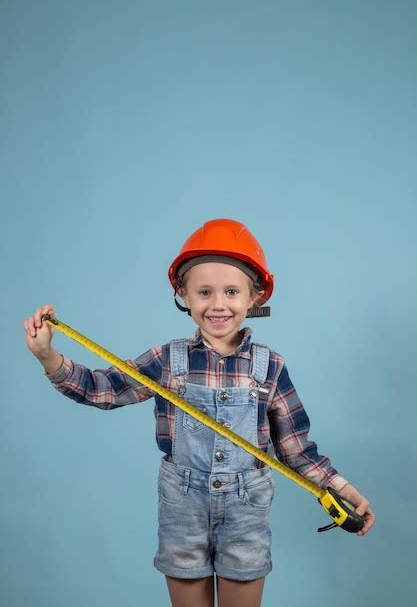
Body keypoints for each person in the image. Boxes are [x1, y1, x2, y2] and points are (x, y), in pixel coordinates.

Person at [24, 218, 375, 607]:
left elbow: (296, 450)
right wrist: (48, 356)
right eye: (204, 292)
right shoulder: (167, 360)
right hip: (182, 508)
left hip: (247, 513)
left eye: (231, 291)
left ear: (254, 298)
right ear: (184, 295)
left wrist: (342, 489)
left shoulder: (270, 366)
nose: (218, 304)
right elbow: (104, 390)